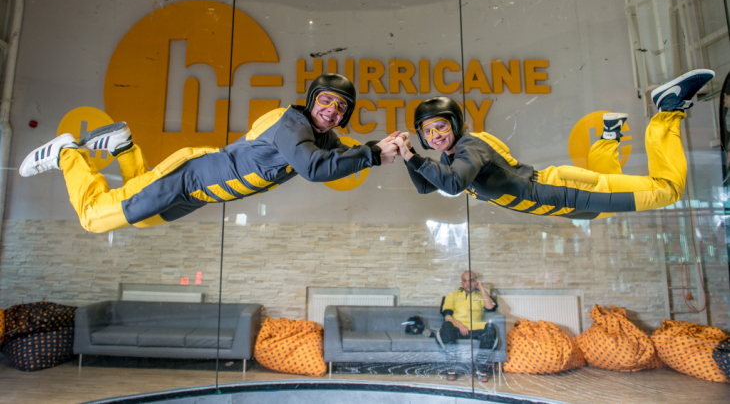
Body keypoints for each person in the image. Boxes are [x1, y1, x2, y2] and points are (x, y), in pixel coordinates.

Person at [19, 74, 400, 233]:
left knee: (139, 217)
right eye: (326, 101)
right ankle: (67, 152)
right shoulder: (293, 124)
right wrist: (370, 153)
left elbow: (345, 159)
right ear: (313, 100)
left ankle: (123, 146)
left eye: (340, 108)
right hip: (191, 176)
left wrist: (387, 149)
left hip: (198, 194)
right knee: (94, 218)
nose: (331, 110)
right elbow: (315, 169)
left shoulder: (323, 136)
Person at [393, 69, 715, 220]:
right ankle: (610, 134)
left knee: (666, 190)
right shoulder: (450, 158)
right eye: (428, 131)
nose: (435, 135)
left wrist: (411, 154)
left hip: (561, 191)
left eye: (441, 126)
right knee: (603, 213)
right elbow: (426, 187)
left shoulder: (468, 148)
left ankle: (668, 109)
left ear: (455, 124)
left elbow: (451, 184)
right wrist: (409, 156)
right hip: (558, 204)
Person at [440, 270, 499, 382]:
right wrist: (460, 324)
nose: (468, 283)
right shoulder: (452, 295)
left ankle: (481, 368)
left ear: (476, 282)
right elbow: (447, 316)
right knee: (446, 325)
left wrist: (481, 288)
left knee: (490, 328)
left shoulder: (481, 295)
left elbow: (490, 307)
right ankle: (452, 368)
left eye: (471, 281)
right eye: (465, 281)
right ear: (462, 283)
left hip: (476, 328)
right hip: (457, 328)